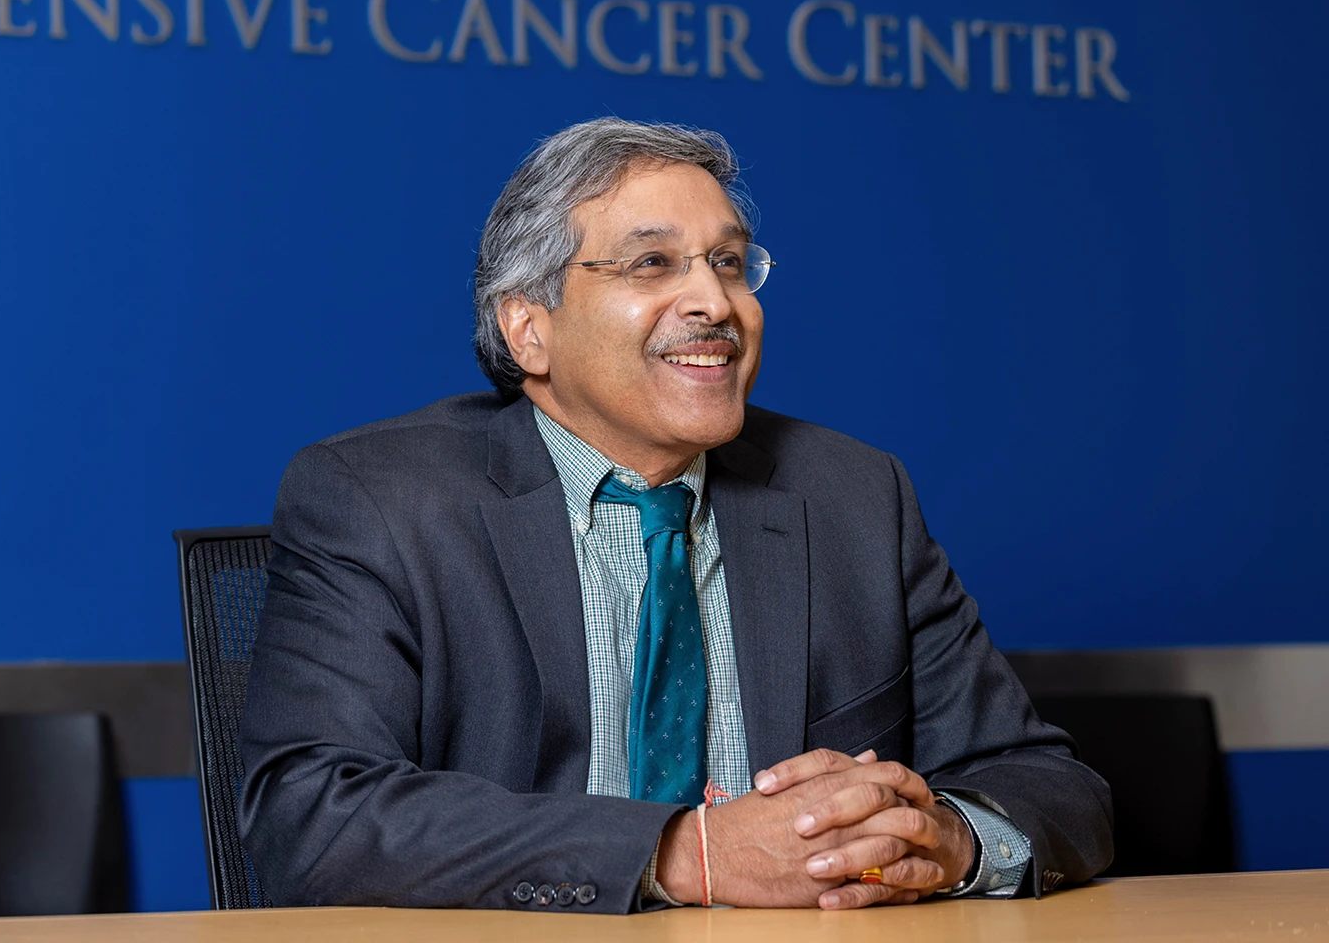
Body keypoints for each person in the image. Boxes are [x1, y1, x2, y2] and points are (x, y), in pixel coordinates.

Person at [236, 118, 1112, 913]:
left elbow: (1050, 785)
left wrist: (947, 843)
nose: (716, 304)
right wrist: (681, 854)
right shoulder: (378, 498)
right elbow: (312, 816)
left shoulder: (853, 497)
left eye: (729, 263)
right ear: (526, 330)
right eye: (652, 264)